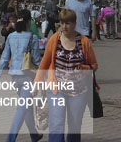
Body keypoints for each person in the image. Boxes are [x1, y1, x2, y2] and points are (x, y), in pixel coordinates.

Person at [32, 9, 98, 142]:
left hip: (78, 91)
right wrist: (36, 85)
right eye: (62, 23)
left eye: (68, 23)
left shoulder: (84, 42)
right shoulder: (54, 40)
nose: (64, 26)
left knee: (75, 125)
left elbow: (94, 65)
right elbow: (44, 64)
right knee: (57, 123)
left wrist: (84, 68)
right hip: (57, 89)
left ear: (74, 24)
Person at [0, 9, 42, 142]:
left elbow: (4, 57)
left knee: (26, 107)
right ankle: (10, 139)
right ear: (28, 22)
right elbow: (37, 60)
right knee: (22, 108)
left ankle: (34, 134)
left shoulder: (11, 36)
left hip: (15, 77)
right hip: (28, 76)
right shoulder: (33, 37)